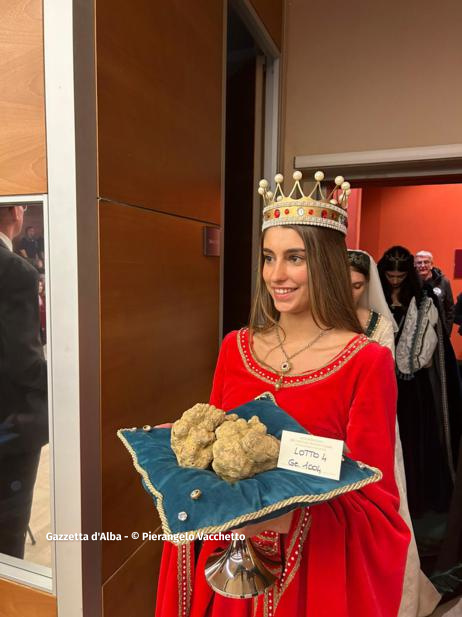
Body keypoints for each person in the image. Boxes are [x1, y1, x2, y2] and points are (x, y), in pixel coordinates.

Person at [155, 172, 410, 617]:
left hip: (310, 574)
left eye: (295, 258)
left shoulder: (366, 362)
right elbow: (216, 444)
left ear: (327, 263)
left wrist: (289, 516)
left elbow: (377, 502)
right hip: (227, 558)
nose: (276, 275)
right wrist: (181, 450)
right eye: (268, 257)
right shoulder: (235, 348)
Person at [348, 249, 441, 616]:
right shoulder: (323, 321)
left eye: (357, 285)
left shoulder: (379, 325)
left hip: (373, 419)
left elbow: (384, 377)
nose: (349, 291)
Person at [378, 246, 462, 595]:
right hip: (383, 383)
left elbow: (435, 349)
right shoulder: (374, 299)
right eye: (390, 276)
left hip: (414, 393)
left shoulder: (424, 299)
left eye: (401, 275)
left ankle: (420, 498)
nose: (395, 280)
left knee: (415, 442)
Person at [0, 205, 48, 559]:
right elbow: (24, 364)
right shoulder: (15, 271)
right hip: (8, 426)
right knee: (6, 536)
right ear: (17, 213)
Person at [415, 250, 454, 335]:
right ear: (415, 265)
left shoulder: (444, 282)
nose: (422, 265)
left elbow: (450, 309)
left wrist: (446, 331)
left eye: (426, 262)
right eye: (419, 263)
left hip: (438, 332)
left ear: (431, 265)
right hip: (415, 331)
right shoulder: (410, 283)